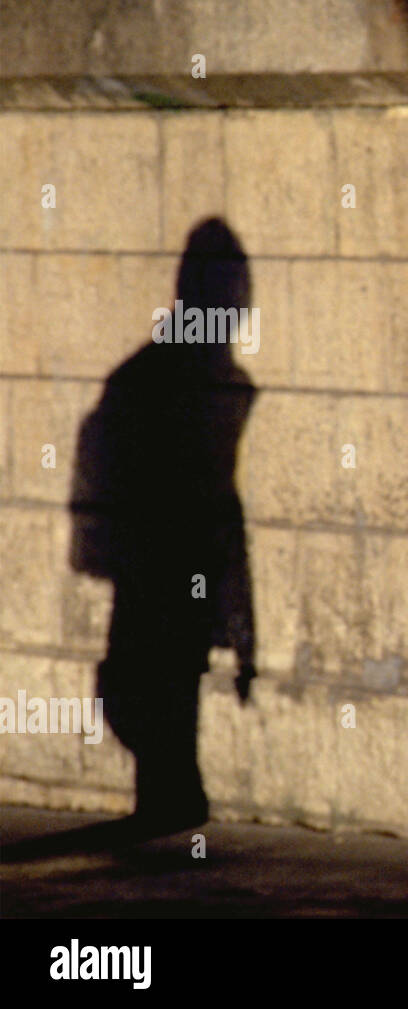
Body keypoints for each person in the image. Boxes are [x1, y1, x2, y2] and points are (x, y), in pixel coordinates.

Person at [69, 217, 258, 832]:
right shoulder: (167, 377)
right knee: (156, 676)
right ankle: (172, 793)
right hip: (167, 552)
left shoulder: (178, 375)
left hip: (180, 554)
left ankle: (172, 793)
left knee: (169, 674)